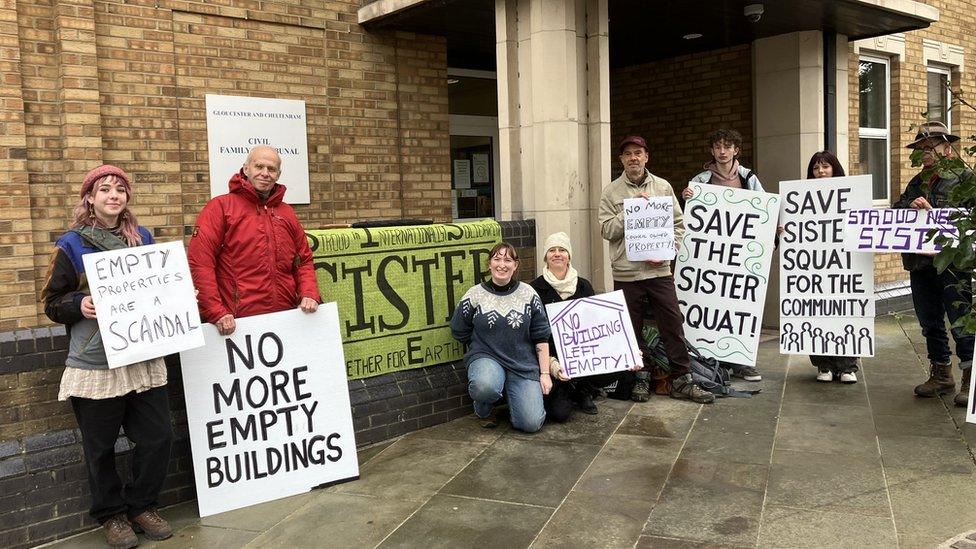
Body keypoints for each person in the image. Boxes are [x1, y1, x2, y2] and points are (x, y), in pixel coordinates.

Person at [42, 165, 174, 548]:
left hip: (141, 356)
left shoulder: (143, 238)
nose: (113, 195)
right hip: (96, 362)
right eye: (105, 189)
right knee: (99, 448)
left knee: (157, 438)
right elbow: (52, 302)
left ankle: (141, 506)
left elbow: (160, 288)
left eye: (120, 189)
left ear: (126, 198)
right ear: (90, 198)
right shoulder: (71, 244)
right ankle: (111, 515)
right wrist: (78, 303)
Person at [599, 135, 715, 404]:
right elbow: (606, 230)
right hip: (627, 272)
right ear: (621, 160)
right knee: (632, 329)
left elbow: (679, 224)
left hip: (659, 271)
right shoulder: (611, 192)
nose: (633, 158)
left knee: (673, 324)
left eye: (638, 153)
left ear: (646, 157)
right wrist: (629, 212)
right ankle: (641, 377)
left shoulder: (662, 187)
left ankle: (682, 380)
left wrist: (667, 250)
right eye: (627, 154)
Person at [188, 145, 321, 335]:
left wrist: (309, 293)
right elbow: (200, 263)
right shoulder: (220, 208)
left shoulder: (287, 213)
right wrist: (215, 311)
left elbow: (303, 261)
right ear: (246, 168)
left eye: (271, 169)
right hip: (237, 324)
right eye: (259, 166)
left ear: (278, 174)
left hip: (286, 319)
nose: (265, 173)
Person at [893, 121, 973, 406]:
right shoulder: (915, 182)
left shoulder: (965, 178)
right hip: (920, 264)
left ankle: (969, 377)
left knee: (960, 321)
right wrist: (909, 207)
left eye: (930, 148)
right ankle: (941, 374)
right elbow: (896, 214)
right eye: (921, 149)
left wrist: (934, 212)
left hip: (952, 265)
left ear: (947, 149)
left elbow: (969, 220)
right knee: (930, 322)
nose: (925, 154)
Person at [682, 128, 765, 382]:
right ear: (712, 151)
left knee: (739, 306)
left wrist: (771, 230)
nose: (722, 151)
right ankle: (714, 359)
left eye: (727, 147)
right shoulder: (700, 180)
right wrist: (686, 200)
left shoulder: (749, 178)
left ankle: (742, 361)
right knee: (712, 305)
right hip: (709, 256)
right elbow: (690, 219)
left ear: (736, 150)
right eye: (718, 147)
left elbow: (763, 211)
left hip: (739, 256)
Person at [530, 232, 639, 420]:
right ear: (545, 257)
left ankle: (585, 389)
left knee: (620, 365)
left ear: (569, 256)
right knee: (559, 414)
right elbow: (532, 335)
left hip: (583, 357)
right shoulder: (534, 289)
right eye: (552, 250)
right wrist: (553, 364)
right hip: (552, 360)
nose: (557, 254)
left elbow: (598, 324)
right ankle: (567, 388)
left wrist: (627, 349)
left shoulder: (583, 286)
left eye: (562, 250)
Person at [450, 242, 551, 432]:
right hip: (486, 356)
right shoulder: (475, 294)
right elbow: (458, 328)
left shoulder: (529, 294)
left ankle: (514, 400)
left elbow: (541, 336)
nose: (502, 264)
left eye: (508, 260)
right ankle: (484, 409)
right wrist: (479, 346)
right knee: (486, 385)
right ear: (489, 264)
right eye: (497, 259)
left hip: (521, 361)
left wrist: (545, 374)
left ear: (516, 265)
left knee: (530, 424)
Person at [804, 150, 860, 384]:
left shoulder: (851, 194)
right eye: (816, 168)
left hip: (843, 265)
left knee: (843, 313)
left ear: (835, 168)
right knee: (817, 313)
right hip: (815, 266)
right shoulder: (803, 198)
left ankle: (847, 365)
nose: (821, 172)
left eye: (825, 167)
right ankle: (824, 364)